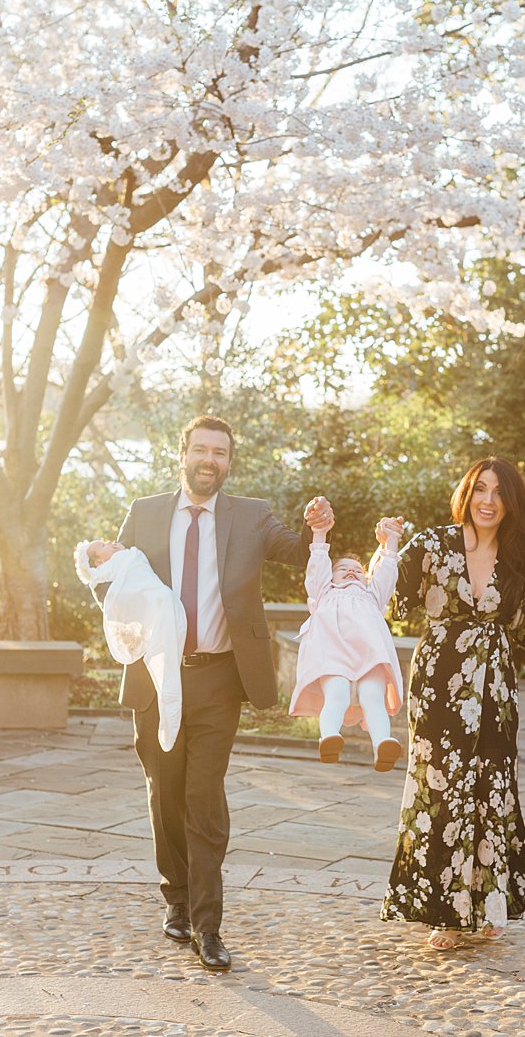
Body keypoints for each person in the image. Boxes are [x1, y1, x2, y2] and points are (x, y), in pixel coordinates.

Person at [110, 414, 331, 973]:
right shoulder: (145, 512)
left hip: (218, 678)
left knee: (204, 796)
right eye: (202, 450)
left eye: (221, 453)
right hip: (157, 676)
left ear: (229, 462)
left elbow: (295, 550)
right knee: (165, 792)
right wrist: (95, 561)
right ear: (182, 452)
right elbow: (114, 581)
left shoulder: (252, 516)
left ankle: (208, 926)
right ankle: (177, 900)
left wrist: (319, 530)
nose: (211, 460)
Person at [379, 457, 525, 950]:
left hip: (495, 693)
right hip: (439, 688)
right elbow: (387, 600)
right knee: (440, 791)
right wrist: (385, 549)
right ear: (467, 493)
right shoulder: (432, 545)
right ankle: (446, 912)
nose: (488, 500)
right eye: (480, 489)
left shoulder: (520, 561)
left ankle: (488, 906)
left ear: (511, 503)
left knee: (492, 793)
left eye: (499, 492)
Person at [286, 516, 406, 771]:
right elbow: (317, 564)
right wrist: (319, 535)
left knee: (373, 697)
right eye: (343, 568)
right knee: (337, 695)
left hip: (369, 653)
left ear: (365, 578)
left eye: (358, 570)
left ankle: (382, 744)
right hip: (332, 653)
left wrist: (391, 541)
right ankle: (329, 736)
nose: (352, 571)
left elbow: (386, 572)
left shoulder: (371, 596)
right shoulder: (324, 592)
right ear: (331, 577)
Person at [76, 539, 187, 751]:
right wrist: (82, 556)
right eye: (101, 546)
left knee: (168, 667)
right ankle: (169, 724)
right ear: (100, 561)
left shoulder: (134, 553)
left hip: (167, 603)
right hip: (158, 609)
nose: (108, 542)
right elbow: (89, 575)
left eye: (105, 540)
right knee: (163, 669)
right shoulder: (112, 566)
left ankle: (170, 722)